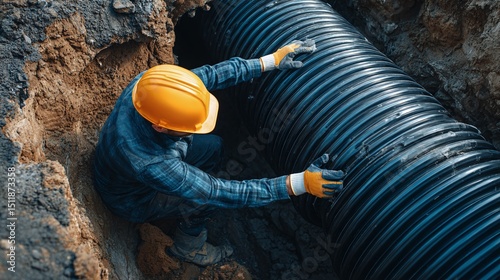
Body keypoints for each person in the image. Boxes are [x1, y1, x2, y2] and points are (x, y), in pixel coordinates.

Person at [92, 39, 345, 266]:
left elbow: (209, 75)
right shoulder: (151, 163)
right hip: (130, 199)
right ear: (160, 125)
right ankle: (187, 247)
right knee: (204, 200)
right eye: (186, 129)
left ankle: (187, 187)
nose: (192, 132)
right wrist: (298, 183)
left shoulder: (150, 87)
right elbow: (219, 192)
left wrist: (269, 61)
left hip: (131, 162)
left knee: (213, 147)